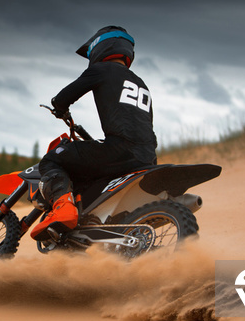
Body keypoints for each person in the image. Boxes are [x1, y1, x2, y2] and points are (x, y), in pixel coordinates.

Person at [31, 25, 158, 241]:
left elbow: (62, 98)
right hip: (147, 157)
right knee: (90, 168)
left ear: (101, 48)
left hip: (119, 149)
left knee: (53, 159)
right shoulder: (140, 83)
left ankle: (63, 209)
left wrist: (59, 108)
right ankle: (90, 220)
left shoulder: (101, 70)